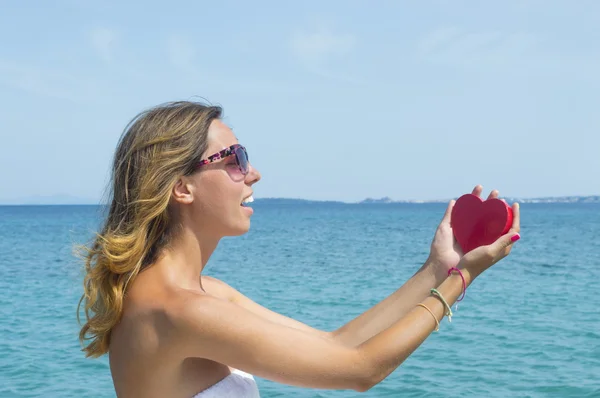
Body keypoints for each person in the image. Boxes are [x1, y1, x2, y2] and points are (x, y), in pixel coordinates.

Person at [78, 100, 521, 397]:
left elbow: (339, 343)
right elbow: (359, 371)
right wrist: (462, 279)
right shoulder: (181, 310)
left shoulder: (204, 295)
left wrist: (438, 268)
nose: (254, 174)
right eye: (235, 160)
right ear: (181, 187)